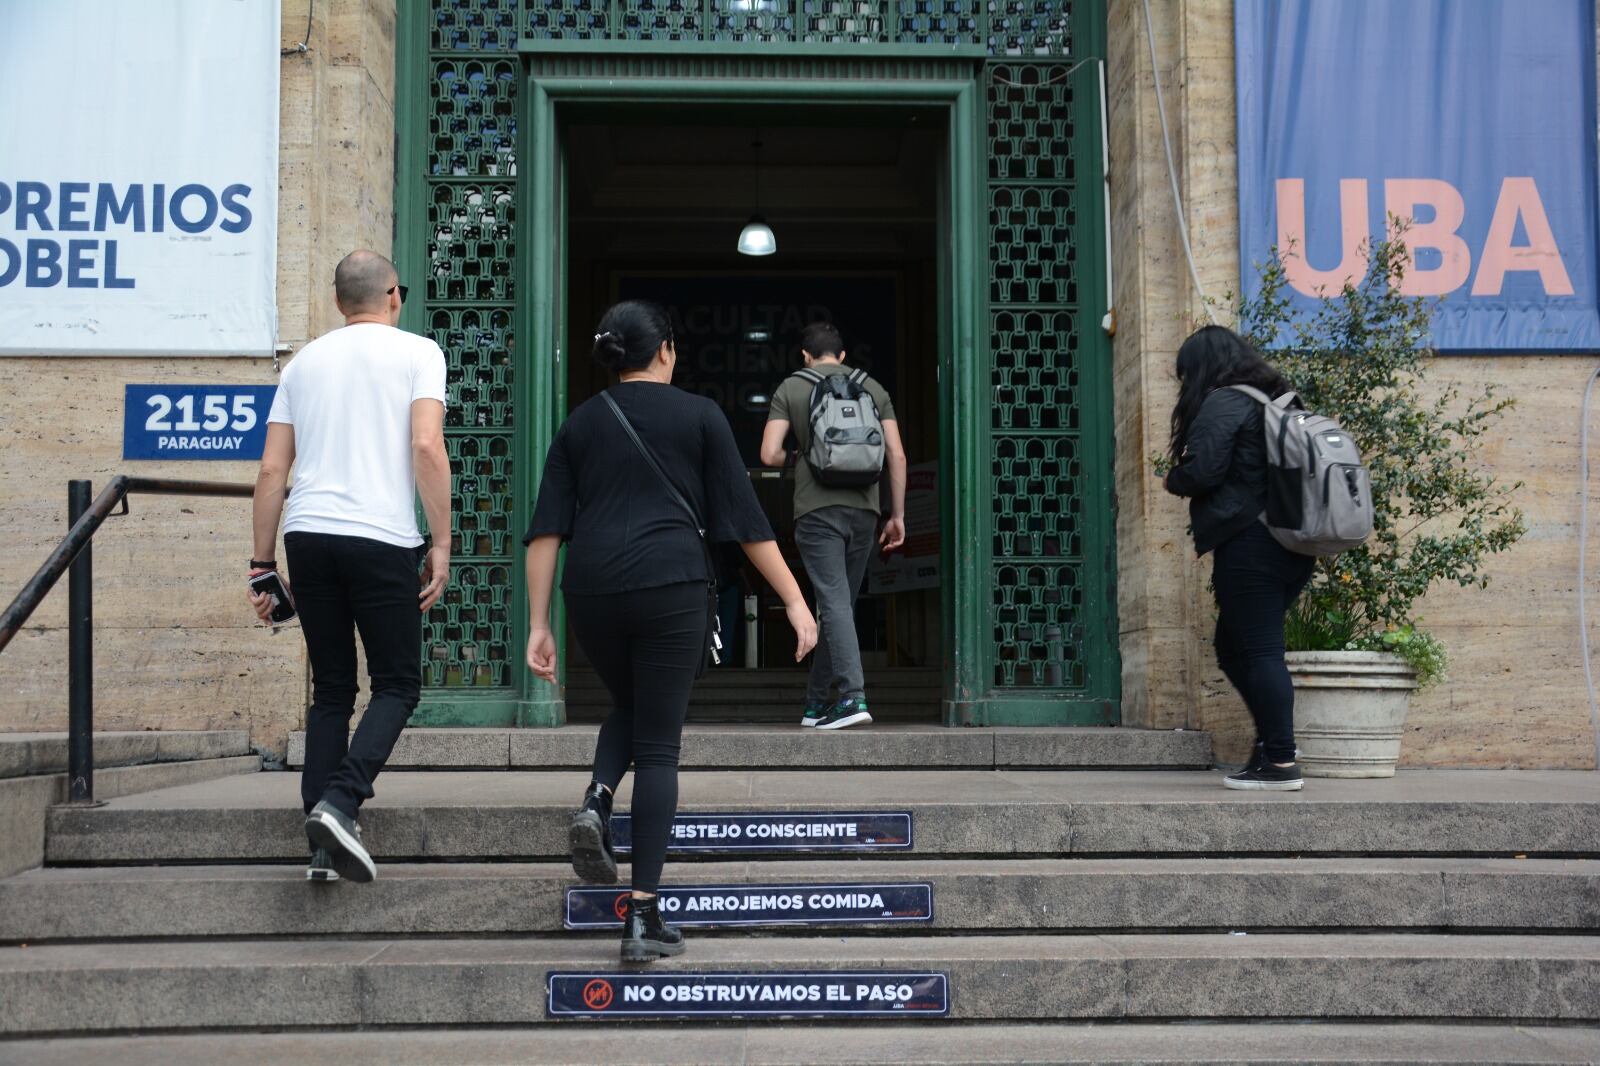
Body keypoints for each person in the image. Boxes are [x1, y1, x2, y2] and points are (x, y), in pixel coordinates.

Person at [523, 300, 817, 963]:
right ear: (666, 351)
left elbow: (546, 531)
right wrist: (796, 602)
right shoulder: (701, 416)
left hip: (591, 590)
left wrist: (539, 624)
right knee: (658, 746)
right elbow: (745, 523)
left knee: (631, 707)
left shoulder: (579, 424)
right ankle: (642, 916)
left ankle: (598, 799)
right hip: (672, 586)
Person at [248, 250, 452, 881]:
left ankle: (322, 846)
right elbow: (426, 445)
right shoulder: (420, 353)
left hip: (308, 535)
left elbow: (272, 469)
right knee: (398, 684)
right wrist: (441, 542)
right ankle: (341, 802)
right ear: (394, 295)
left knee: (333, 687)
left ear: (338, 302)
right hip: (380, 536)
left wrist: (261, 564)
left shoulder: (303, 363)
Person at [1164, 324, 1313, 791]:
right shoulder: (1278, 401)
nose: (1185, 384)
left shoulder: (1225, 401)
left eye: (1186, 374)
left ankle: (1281, 761)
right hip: (1293, 544)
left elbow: (1204, 471)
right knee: (1232, 648)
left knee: (1261, 650)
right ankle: (1270, 744)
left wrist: (1174, 478)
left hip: (1252, 543)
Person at [760, 322, 906, 730]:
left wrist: (802, 457)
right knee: (839, 602)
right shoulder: (872, 387)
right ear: (842, 356)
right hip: (865, 511)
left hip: (817, 511)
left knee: (834, 602)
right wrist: (896, 515)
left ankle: (852, 697)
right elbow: (896, 455)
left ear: (805, 355)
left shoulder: (792, 387)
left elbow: (769, 454)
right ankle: (815, 704)